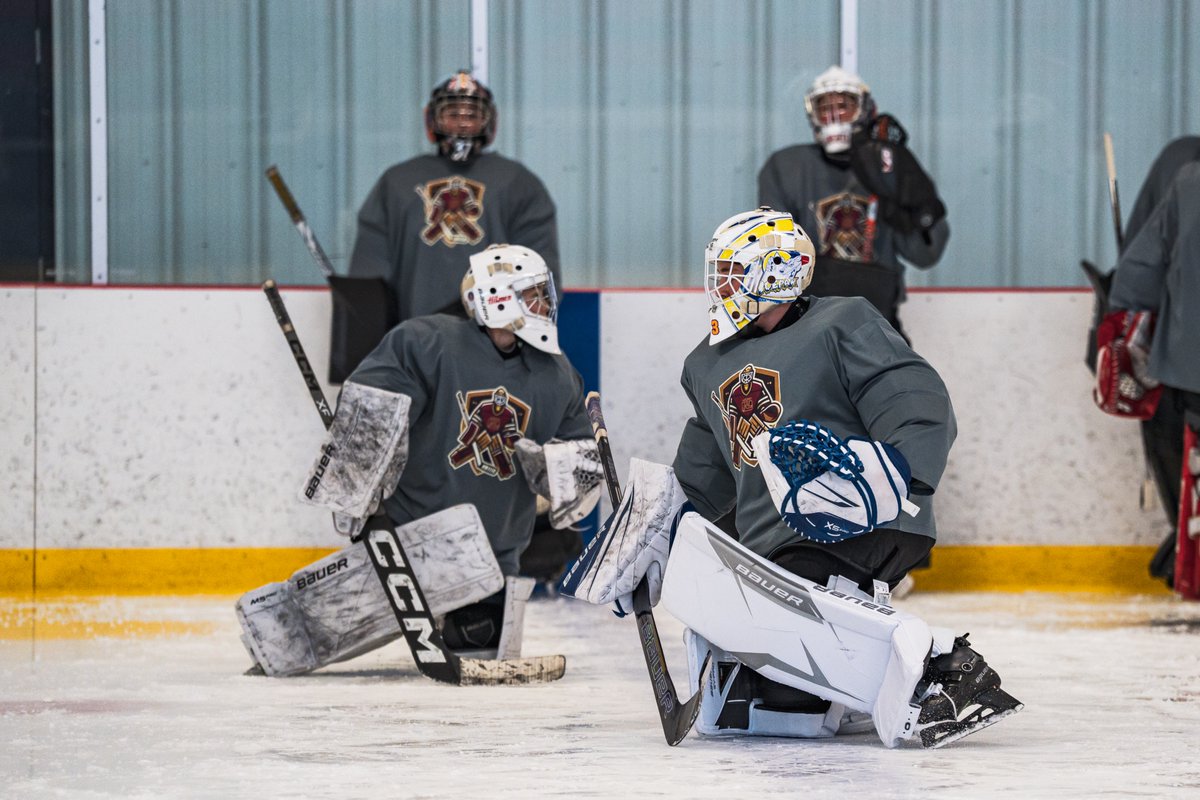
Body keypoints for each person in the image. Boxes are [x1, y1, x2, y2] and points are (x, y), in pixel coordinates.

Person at [561, 208, 1021, 748]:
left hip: (862, 517)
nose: (720, 286)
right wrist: (652, 531)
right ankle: (846, 695)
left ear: (776, 271)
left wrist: (897, 473)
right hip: (772, 548)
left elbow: (913, 395)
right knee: (766, 698)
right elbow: (704, 471)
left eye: (732, 272)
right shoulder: (707, 364)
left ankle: (942, 671)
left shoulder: (842, 321)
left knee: (789, 596)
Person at [236, 245, 601, 676]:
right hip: (413, 539)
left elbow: (585, 468)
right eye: (534, 293)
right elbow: (368, 413)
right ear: (499, 296)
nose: (546, 304)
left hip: (496, 560)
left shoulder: (557, 374)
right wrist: (355, 486)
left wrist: (556, 470)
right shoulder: (427, 342)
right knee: (282, 638)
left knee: (482, 644)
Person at [348, 71, 560, 324]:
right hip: (414, 339)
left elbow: (539, 275)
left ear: (489, 121)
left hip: (492, 342)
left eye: (471, 116)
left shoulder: (519, 182)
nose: (462, 125)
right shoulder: (396, 183)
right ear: (432, 120)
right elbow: (369, 274)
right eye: (452, 115)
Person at [757, 66, 949, 340]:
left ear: (865, 109)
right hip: (806, 325)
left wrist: (912, 195)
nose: (834, 116)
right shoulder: (787, 167)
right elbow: (773, 256)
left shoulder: (889, 166)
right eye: (825, 107)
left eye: (844, 106)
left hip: (877, 321)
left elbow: (925, 255)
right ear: (812, 114)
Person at [1107, 162, 1200, 587]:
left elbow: (1141, 269)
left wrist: (1119, 324)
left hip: (1189, 362)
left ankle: (1189, 569)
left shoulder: (1188, 180)